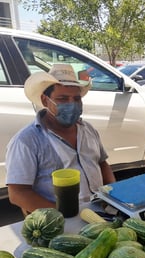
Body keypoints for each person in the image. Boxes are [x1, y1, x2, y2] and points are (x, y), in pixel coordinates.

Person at [5, 64, 116, 214]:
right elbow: (18, 193)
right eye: (63, 99)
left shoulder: (88, 130)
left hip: (100, 212)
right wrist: (62, 215)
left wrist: (113, 198)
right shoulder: (26, 141)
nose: (72, 104)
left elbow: (102, 164)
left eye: (77, 99)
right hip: (61, 219)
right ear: (45, 101)